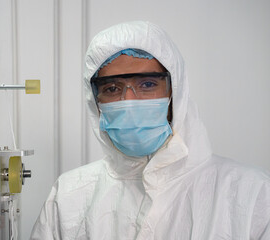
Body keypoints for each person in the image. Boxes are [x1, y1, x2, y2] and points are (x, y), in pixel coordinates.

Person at [30, 21, 270, 239]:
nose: (130, 101)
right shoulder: (69, 195)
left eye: (147, 84)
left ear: (176, 91)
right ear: (96, 102)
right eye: (112, 88)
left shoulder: (251, 194)